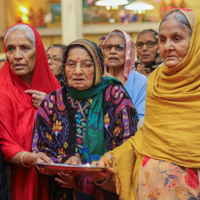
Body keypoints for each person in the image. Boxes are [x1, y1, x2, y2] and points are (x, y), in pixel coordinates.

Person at [94, 8, 200, 200]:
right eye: (162, 39)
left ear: (195, 41)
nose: (167, 46)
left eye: (177, 38)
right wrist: (114, 158)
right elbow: (146, 135)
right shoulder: (156, 81)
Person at [32, 39, 138, 200]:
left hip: (108, 189)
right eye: (71, 64)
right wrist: (64, 164)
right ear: (64, 68)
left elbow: (129, 146)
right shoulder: (53, 101)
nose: (78, 71)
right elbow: (39, 148)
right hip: (62, 189)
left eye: (87, 64)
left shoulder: (115, 97)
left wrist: (87, 174)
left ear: (99, 67)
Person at [0, 23, 61, 200]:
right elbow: (2, 141)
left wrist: (51, 105)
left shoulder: (54, 89)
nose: (17, 56)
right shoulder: (2, 89)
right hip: (15, 177)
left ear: (38, 50)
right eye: (10, 49)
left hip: (54, 177)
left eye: (25, 48)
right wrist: (31, 158)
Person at [103, 29, 147, 119]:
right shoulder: (97, 80)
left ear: (128, 52)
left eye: (119, 47)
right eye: (108, 47)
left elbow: (141, 118)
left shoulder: (141, 82)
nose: (112, 51)